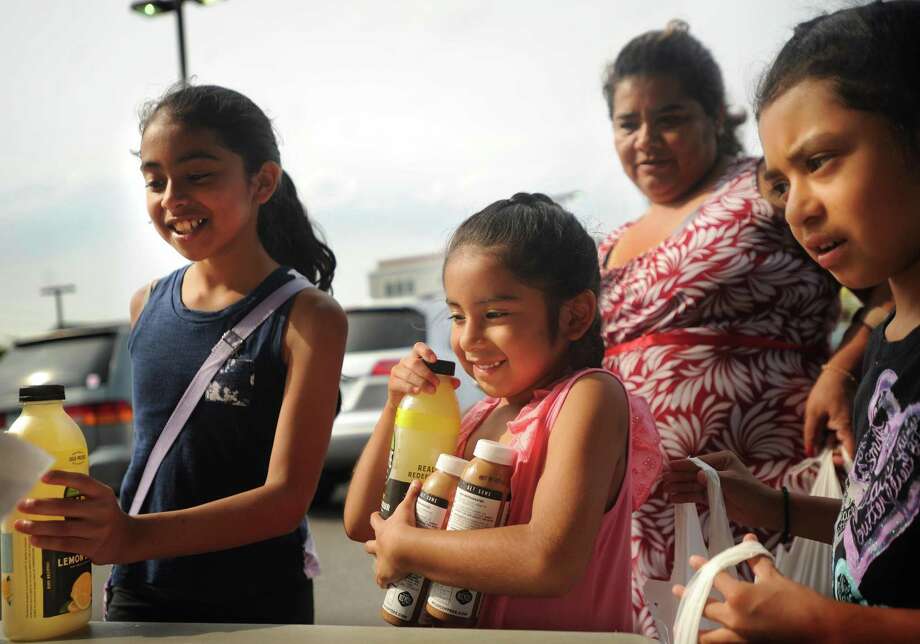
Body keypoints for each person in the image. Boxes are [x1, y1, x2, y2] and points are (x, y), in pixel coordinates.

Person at [597, 20, 889, 636]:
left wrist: (842, 366)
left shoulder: (770, 183)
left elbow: (892, 289)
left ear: (715, 117)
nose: (647, 139)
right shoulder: (610, 243)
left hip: (771, 494)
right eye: (628, 123)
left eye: (670, 116)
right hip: (646, 512)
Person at [13, 85, 347, 624]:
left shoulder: (309, 317)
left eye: (198, 175)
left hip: (256, 604)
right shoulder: (146, 304)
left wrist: (130, 534)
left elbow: (286, 500)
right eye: (154, 180)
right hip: (138, 594)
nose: (171, 197)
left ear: (262, 181)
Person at [665, 2, 920, 640]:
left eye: (821, 161)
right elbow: (887, 532)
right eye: (780, 183)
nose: (797, 209)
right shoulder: (888, 346)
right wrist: (770, 506)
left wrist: (824, 625)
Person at [343, 193, 662, 631]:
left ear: (575, 315)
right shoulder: (477, 416)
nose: (469, 338)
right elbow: (365, 521)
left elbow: (549, 560)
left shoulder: (589, 398)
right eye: (457, 316)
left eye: (494, 313)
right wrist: (396, 408)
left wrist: (409, 547)